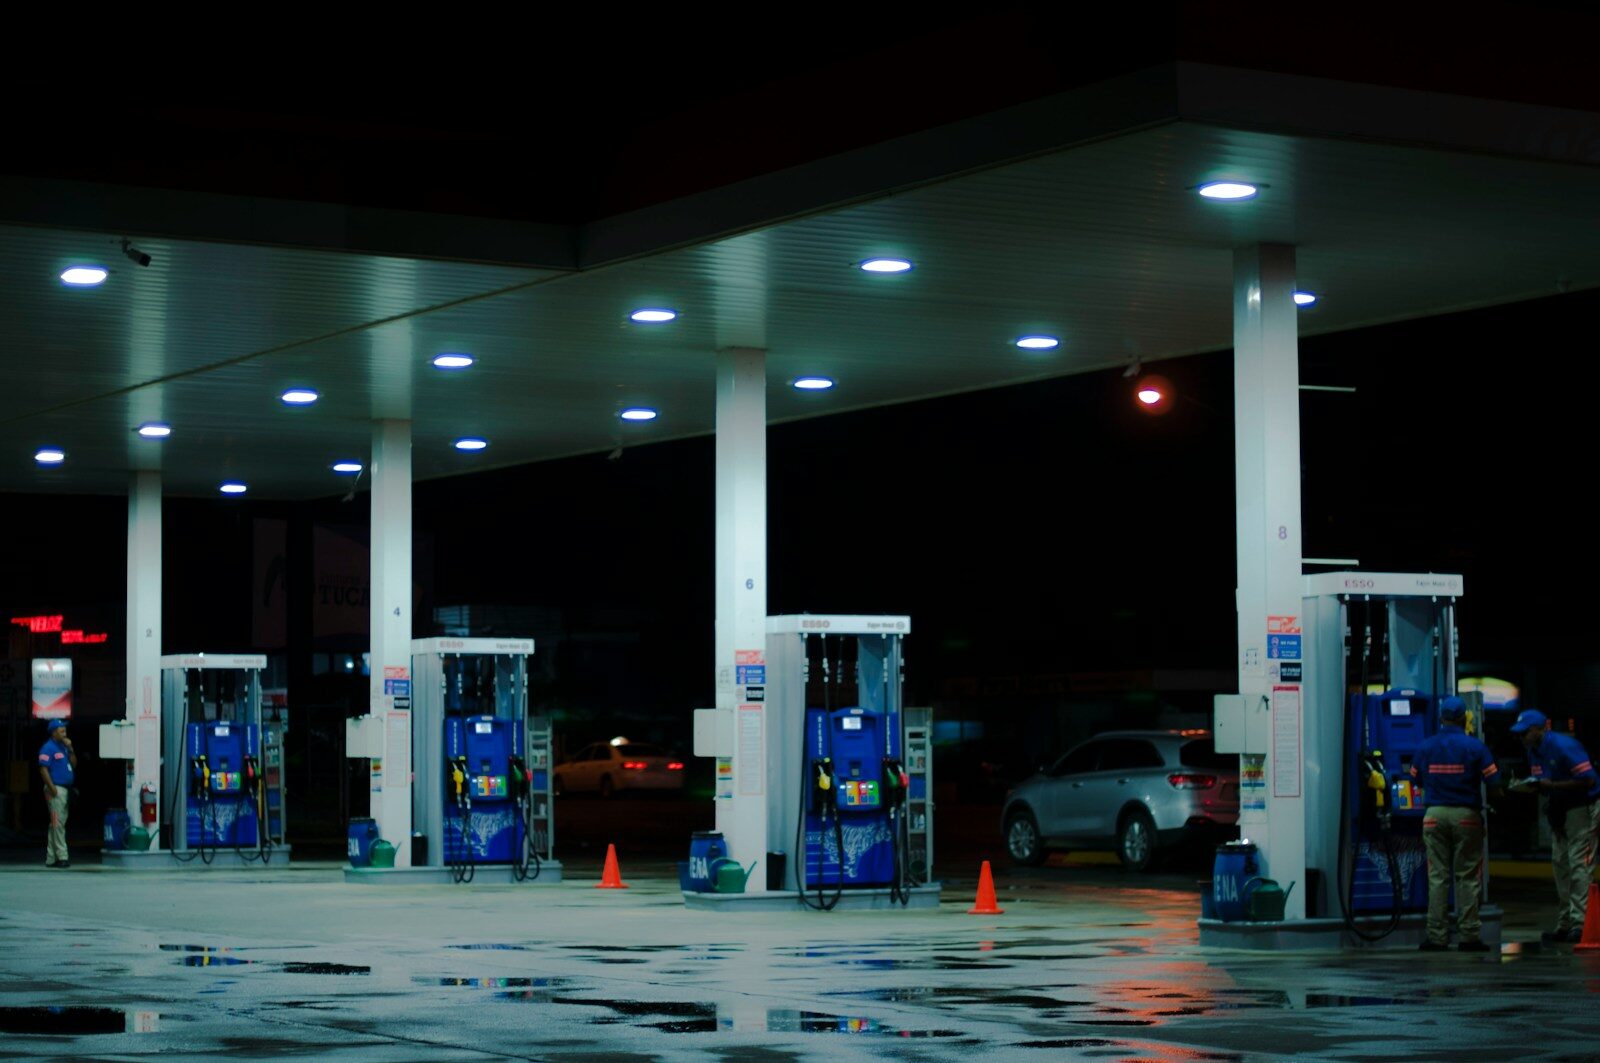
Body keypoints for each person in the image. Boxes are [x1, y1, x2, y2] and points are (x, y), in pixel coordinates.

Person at [1410, 696, 1502, 951]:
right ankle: (1469, 936)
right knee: (1467, 876)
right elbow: (1494, 782)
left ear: (1441, 718)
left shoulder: (1426, 746)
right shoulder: (1475, 747)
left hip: (1434, 815)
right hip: (1466, 815)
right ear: (1464, 719)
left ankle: (1437, 937)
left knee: (1437, 877)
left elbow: (1415, 780)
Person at [1509, 709, 1600, 944]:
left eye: (1525, 733)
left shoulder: (1563, 746)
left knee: (1579, 866)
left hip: (1583, 807)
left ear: (1541, 728)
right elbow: (1546, 783)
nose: (1521, 738)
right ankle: (1566, 924)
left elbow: (1588, 779)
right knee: (1561, 865)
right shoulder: (1533, 751)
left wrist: (1552, 785)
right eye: (1519, 735)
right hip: (1560, 810)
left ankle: (1580, 925)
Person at [36, 719, 76, 868]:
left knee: (56, 823)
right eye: (61, 730)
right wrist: (52, 789)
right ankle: (62, 856)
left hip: (65, 789)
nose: (64, 732)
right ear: (53, 732)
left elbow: (74, 764)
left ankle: (51, 857)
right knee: (57, 823)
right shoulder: (48, 748)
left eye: (64, 730)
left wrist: (70, 748)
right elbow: (43, 769)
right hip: (56, 790)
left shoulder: (63, 747)